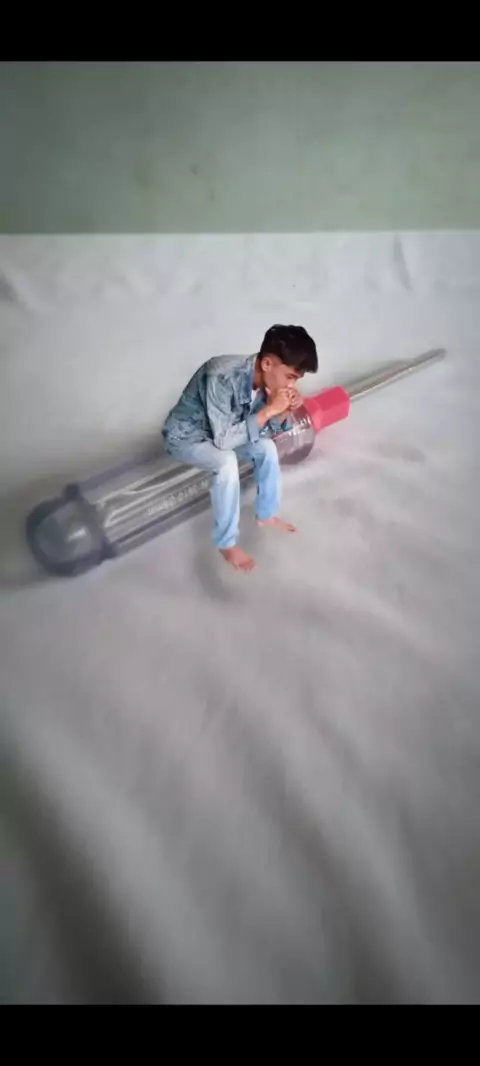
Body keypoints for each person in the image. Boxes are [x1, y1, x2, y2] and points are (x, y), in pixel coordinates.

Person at [163, 324, 318, 571]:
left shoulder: (268, 384)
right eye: (290, 377)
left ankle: (266, 515)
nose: (291, 385)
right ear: (267, 364)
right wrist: (270, 410)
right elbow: (223, 442)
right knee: (225, 462)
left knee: (266, 448)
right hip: (186, 436)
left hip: (224, 432)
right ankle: (226, 544)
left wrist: (283, 411)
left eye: (296, 380)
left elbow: (265, 432)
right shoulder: (221, 375)